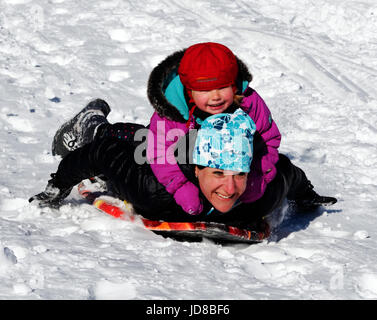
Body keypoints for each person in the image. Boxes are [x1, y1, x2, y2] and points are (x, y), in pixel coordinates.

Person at [51, 42, 281, 217]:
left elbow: (269, 142)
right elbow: (158, 152)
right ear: (189, 91)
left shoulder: (249, 103)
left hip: (212, 154)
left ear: (234, 84)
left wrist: (259, 178)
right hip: (168, 148)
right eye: (204, 91)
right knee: (137, 144)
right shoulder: (174, 109)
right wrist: (181, 188)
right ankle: (92, 127)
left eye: (223, 87)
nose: (216, 97)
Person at [30, 108, 337, 235]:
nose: (230, 189)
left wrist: (308, 197)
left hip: (205, 139)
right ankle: (92, 122)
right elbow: (99, 154)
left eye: (239, 175)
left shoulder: (259, 194)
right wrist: (58, 186)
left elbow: (285, 170)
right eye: (218, 175)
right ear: (197, 168)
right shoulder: (153, 188)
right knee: (132, 141)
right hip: (153, 151)